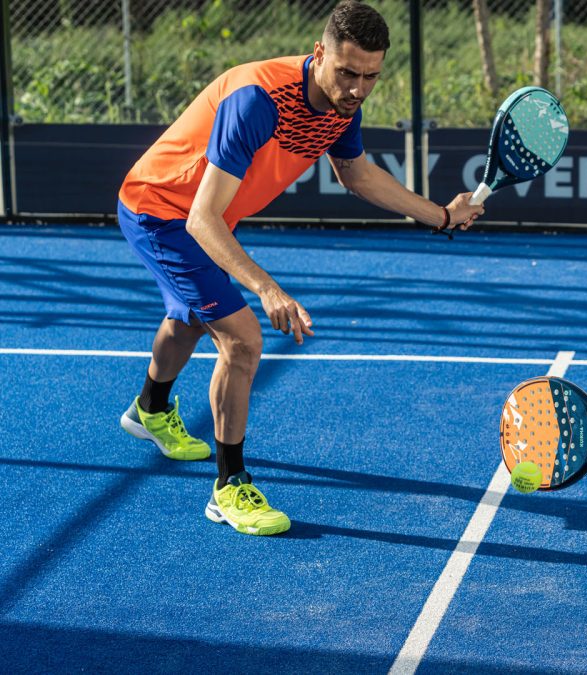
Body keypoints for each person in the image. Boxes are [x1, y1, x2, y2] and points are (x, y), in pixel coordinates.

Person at [116, 1, 484, 537]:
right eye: (348, 73)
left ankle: (149, 408)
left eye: (371, 76)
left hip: (202, 214)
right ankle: (229, 486)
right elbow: (202, 218)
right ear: (319, 54)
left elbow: (357, 175)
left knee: (196, 314)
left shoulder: (342, 105)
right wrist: (267, 289)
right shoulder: (258, 100)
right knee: (241, 339)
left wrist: (443, 215)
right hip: (163, 210)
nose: (358, 89)